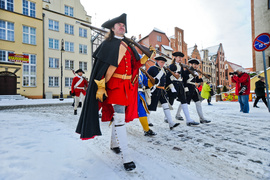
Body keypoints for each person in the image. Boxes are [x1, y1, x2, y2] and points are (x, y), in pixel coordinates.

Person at [75, 13, 154, 171]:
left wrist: (145, 59)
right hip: (114, 86)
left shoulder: (129, 46)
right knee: (119, 117)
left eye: (123, 25)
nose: (122, 26)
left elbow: (134, 66)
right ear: (112, 28)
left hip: (127, 88)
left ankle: (114, 143)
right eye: (119, 24)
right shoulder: (107, 45)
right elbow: (101, 69)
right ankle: (126, 156)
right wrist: (101, 85)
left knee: (119, 117)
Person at [166, 52, 199, 126]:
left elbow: (185, 77)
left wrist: (193, 74)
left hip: (180, 85)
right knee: (171, 102)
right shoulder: (171, 66)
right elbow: (167, 77)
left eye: (181, 57)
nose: (180, 59)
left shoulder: (181, 66)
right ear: (175, 57)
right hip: (174, 85)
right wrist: (171, 87)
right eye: (179, 57)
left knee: (184, 102)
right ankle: (166, 117)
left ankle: (188, 119)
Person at [147, 56, 180, 130]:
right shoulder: (152, 69)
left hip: (162, 91)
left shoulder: (164, 70)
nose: (163, 64)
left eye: (164, 62)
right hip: (155, 90)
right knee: (151, 106)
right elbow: (147, 78)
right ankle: (147, 121)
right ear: (157, 61)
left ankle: (171, 123)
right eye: (161, 62)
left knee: (166, 106)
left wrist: (172, 87)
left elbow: (167, 80)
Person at [182, 58, 211, 124]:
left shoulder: (196, 72)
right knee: (184, 103)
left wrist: (204, 78)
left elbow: (197, 81)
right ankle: (178, 115)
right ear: (191, 64)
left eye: (197, 65)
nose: (196, 66)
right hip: (188, 88)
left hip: (193, 88)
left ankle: (202, 118)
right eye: (194, 64)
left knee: (198, 103)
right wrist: (186, 89)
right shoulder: (187, 71)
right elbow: (184, 81)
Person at [138, 69, 157, 136]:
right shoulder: (130, 69)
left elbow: (148, 83)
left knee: (142, 111)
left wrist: (146, 73)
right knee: (123, 111)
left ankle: (146, 129)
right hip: (131, 93)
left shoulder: (141, 72)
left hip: (140, 94)